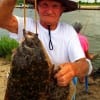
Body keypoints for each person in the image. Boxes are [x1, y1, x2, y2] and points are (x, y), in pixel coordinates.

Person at [0, 0, 92, 99]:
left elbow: (87, 66)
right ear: (37, 7)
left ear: (62, 9)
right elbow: (2, 20)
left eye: (55, 6)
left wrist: (74, 69)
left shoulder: (69, 31)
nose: (49, 11)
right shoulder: (26, 24)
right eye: (44, 4)